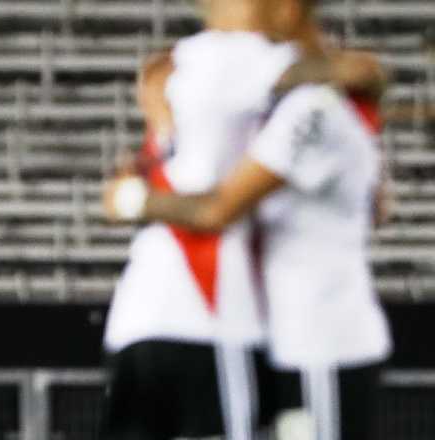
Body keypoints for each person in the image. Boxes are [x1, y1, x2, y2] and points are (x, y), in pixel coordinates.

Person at [103, 2, 390, 438]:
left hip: (313, 334)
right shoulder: (267, 78)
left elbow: (219, 209)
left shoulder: (303, 99)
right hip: (261, 324)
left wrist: (134, 199)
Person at [99, 1, 302, 438]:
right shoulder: (253, 61)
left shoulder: (180, 68)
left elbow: (121, 195)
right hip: (209, 310)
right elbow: (354, 74)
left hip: (139, 317)